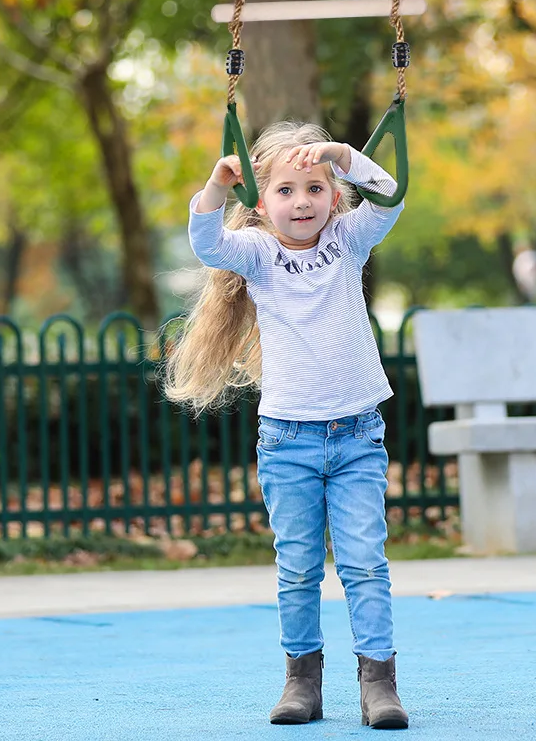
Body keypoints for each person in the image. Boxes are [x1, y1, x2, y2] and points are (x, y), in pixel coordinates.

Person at [166, 121, 408, 730]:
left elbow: (392, 194)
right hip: (288, 441)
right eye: (285, 190)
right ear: (262, 201)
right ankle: (302, 679)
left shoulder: (350, 241)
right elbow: (205, 243)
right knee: (298, 566)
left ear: (333, 195)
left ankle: (378, 681)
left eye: (315, 187)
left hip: (356, 436)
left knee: (364, 562)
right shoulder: (257, 255)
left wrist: (341, 155)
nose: (301, 202)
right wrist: (217, 187)